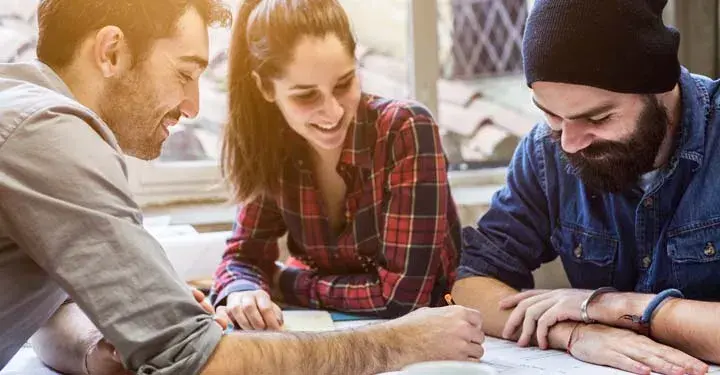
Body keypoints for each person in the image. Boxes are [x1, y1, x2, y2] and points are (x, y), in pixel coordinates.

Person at [0, 0, 486, 374]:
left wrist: (110, 343)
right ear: (110, 52)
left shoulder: (28, 114)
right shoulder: (49, 133)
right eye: (184, 73)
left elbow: (48, 314)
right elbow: (196, 358)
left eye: (343, 83)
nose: (193, 106)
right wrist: (404, 342)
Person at [452, 1, 720, 374]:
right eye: (551, 115)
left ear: (659, 88)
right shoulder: (545, 151)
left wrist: (608, 307)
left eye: (597, 117)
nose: (569, 143)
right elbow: (471, 284)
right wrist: (575, 333)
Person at [209, 0, 462, 330]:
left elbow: (401, 299)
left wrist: (285, 281)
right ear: (266, 89)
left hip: (436, 331)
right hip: (335, 332)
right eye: (305, 96)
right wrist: (242, 292)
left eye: (344, 84)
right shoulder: (272, 146)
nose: (333, 112)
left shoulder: (406, 129)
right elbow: (241, 258)